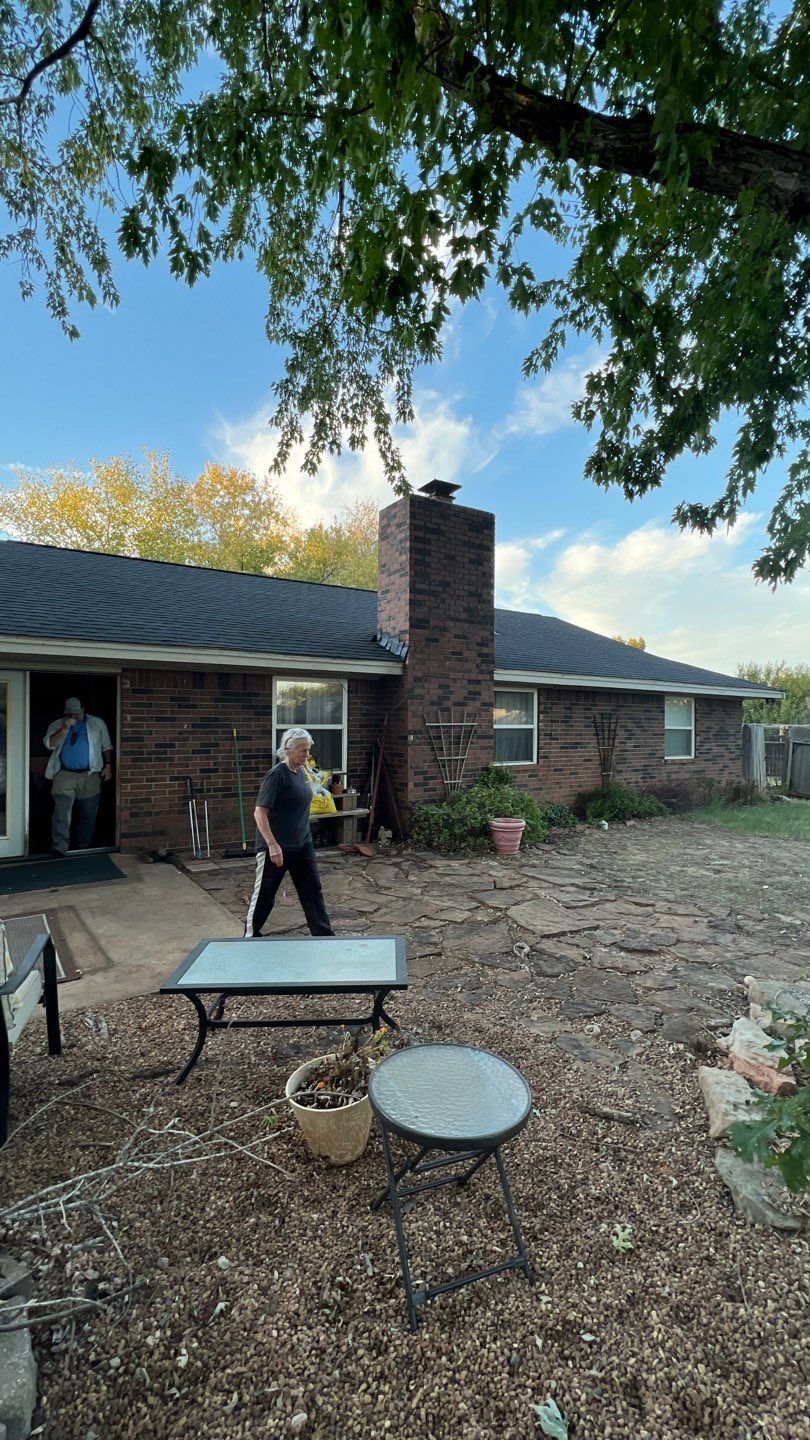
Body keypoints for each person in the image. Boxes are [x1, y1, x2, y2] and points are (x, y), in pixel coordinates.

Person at [244, 727, 334, 937]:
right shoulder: (276, 775)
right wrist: (272, 845)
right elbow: (259, 813)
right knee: (265, 895)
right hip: (276, 849)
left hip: (302, 845)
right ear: (289, 750)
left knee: (313, 892)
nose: (307, 755)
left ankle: (324, 937)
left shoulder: (301, 772)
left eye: (308, 750)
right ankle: (250, 937)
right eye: (303, 751)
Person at [44, 697, 113, 858]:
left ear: (83, 708)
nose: (74, 716)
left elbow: (106, 746)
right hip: (64, 773)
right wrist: (64, 728)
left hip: (90, 773)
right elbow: (49, 744)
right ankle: (59, 847)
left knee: (88, 812)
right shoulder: (57, 724)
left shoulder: (97, 723)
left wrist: (108, 765)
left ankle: (84, 845)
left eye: (77, 712)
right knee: (61, 812)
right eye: (71, 713)